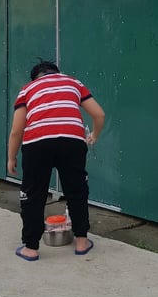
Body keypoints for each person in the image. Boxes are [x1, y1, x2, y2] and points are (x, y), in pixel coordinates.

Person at [7, 61, 105, 261]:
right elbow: (99, 114)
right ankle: (81, 242)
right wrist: (94, 135)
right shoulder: (73, 82)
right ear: (57, 73)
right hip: (72, 141)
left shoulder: (27, 89)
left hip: (36, 143)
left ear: (35, 77)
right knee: (77, 191)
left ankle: (31, 248)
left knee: (33, 195)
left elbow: (17, 130)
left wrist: (11, 157)